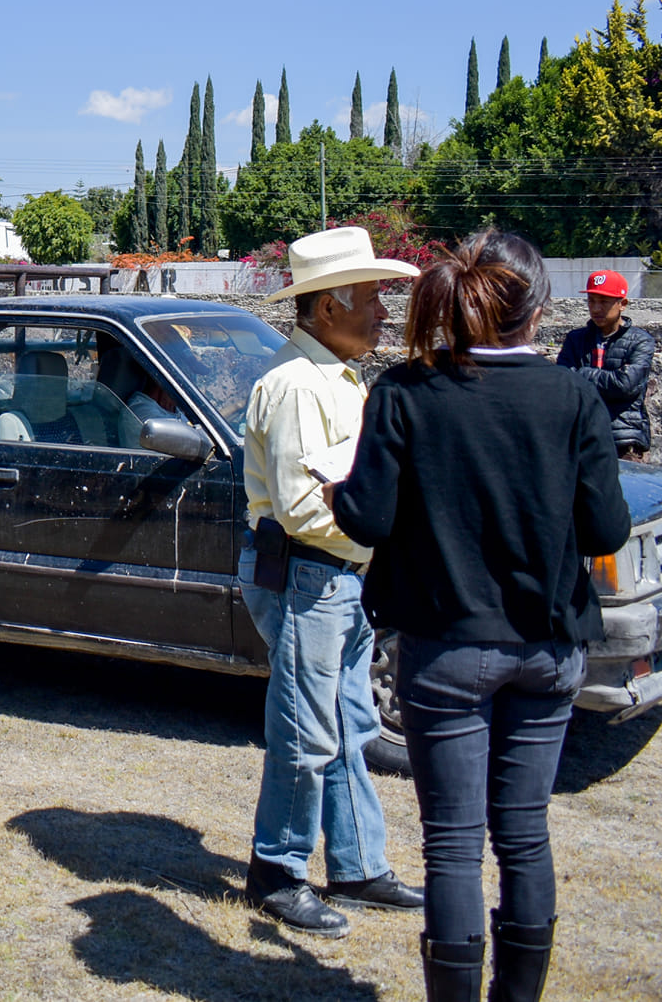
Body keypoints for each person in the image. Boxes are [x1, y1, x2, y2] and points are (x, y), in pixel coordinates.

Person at [333, 229, 632, 1002]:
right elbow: (604, 530)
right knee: (524, 835)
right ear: (538, 308)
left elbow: (365, 520)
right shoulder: (572, 396)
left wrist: (338, 491)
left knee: (456, 848)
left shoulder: (404, 391)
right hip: (547, 648)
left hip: (446, 651)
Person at [238, 227, 425, 939]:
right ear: (326, 308)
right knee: (307, 727)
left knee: (347, 723)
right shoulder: (297, 386)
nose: (384, 311)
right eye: (372, 296)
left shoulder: (331, 378)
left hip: (331, 576)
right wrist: (388, 539)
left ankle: (355, 863)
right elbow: (304, 507)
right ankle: (277, 870)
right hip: (309, 574)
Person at [553, 268, 656, 460]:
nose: (596, 308)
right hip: (582, 435)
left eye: (604, 302)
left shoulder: (641, 341)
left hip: (623, 439)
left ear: (622, 304)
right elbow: (562, 381)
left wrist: (581, 374)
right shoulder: (576, 340)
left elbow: (625, 385)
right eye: (592, 301)